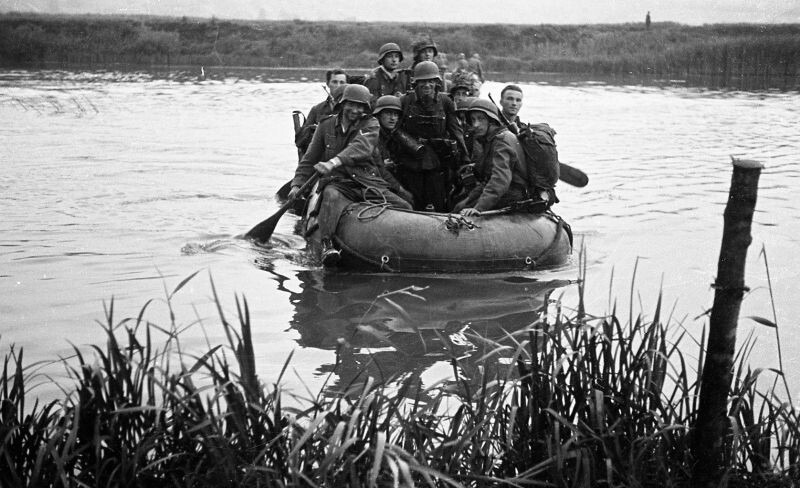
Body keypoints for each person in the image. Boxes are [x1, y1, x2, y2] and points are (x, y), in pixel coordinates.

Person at [289, 84, 412, 264]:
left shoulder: (370, 124)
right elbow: (309, 160)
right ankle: (326, 244)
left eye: (360, 106)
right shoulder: (326, 125)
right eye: (351, 105)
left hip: (366, 181)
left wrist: (333, 162)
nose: (355, 110)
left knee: (405, 207)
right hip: (337, 183)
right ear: (342, 104)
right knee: (330, 195)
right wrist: (296, 185)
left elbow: (361, 147)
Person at [397, 61, 468, 212]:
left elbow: (456, 131)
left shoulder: (445, 101)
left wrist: (465, 159)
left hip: (438, 163)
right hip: (411, 162)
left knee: (440, 203)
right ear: (416, 82)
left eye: (431, 81)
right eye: (423, 81)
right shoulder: (405, 101)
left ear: (437, 82)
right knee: (414, 204)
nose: (427, 85)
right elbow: (394, 130)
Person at [453, 99, 528, 216]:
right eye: (473, 120)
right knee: (458, 206)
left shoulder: (502, 140)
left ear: (492, 121)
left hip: (514, 194)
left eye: (481, 119)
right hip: (505, 191)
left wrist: (478, 208)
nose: (475, 125)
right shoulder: (490, 140)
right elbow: (488, 179)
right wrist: (467, 200)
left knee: (464, 214)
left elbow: (500, 180)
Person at [371, 95, 416, 205]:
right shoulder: (373, 135)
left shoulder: (392, 134)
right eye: (388, 113)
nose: (393, 118)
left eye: (395, 114)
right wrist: (401, 190)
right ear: (378, 115)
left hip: (388, 180)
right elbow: (379, 170)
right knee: (406, 204)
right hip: (374, 183)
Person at [295, 68, 348, 156]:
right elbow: (300, 141)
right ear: (328, 84)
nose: (338, 86)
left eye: (342, 83)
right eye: (334, 82)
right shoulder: (317, 109)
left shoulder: (352, 109)